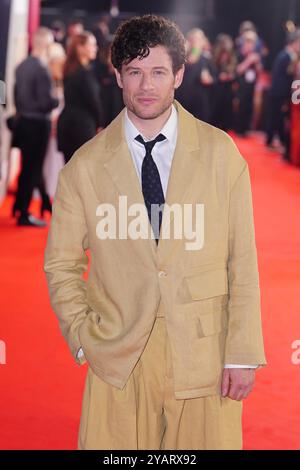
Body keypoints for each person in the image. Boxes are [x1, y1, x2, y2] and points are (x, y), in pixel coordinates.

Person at [44, 15, 266, 450]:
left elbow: (242, 258)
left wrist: (241, 351)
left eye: (159, 71)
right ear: (118, 77)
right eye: (135, 72)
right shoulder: (84, 168)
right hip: (119, 356)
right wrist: (84, 336)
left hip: (204, 352)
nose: (146, 85)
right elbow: (61, 264)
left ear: (179, 75)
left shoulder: (221, 154)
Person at [13, 27, 59, 226]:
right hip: (38, 123)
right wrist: (55, 101)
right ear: (47, 45)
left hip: (23, 121)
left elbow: (15, 95)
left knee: (27, 167)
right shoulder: (41, 69)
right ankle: (23, 212)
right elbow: (45, 101)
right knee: (33, 168)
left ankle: (19, 206)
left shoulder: (21, 66)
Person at [57, 32, 104, 163]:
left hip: (67, 125)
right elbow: (94, 102)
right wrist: (101, 124)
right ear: (80, 48)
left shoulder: (69, 70)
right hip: (81, 129)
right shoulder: (84, 74)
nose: (96, 48)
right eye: (92, 45)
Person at [266, 29, 300, 159]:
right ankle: (272, 141)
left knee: (277, 118)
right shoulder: (286, 56)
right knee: (276, 117)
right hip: (280, 93)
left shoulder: (286, 56)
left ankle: (276, 141)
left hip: (281, 93)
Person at [176, 28, 215, 123]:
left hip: (201, 100)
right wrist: (196, 47)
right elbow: (191, 61)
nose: (197, 42)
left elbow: (213, 77)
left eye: (199, 39)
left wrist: (209, 79)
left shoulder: (206, 57)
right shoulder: (183, 54)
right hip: (185, 97)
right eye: (195, 39)